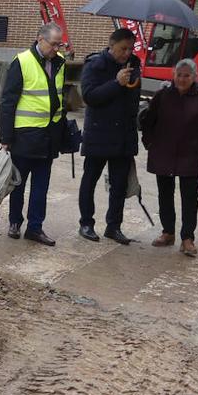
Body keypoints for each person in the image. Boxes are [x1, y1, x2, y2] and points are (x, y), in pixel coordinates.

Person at [140, 59, 198, 257]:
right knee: (164, 194)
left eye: (187, 75)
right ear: (173, 75)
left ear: (194, 77)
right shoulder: (163, 95)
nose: (182, 79)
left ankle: (187, 238)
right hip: (163, 151)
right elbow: (149, 120)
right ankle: (168, 232)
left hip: (190, 154)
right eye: (179, 75)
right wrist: (149, 142)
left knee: (189, 197)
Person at [0, 23, 67, 246]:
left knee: (41, 187)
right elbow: (8, 102)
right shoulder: (22, 62)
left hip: (49, 135)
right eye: (53, 44)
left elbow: (58, 96)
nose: (56, 48)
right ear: (40, 39)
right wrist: (5, 138)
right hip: (25, 136)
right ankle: (15, 222)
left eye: (59, 44)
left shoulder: (60, 62)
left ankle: (35, 228)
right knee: (18, 183)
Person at [77, 28, 141, 245]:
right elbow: (89, 96)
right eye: (123, 48)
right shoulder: (95, 64)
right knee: (90, 180)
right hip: (99, 133)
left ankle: (114, 226)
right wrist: (116, 84)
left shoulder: (134, 66)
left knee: (119, 184)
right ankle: (86, 223)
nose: (127, 53)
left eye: (130, 49)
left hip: (123, 135)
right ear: (111, 45)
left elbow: (133, 100)